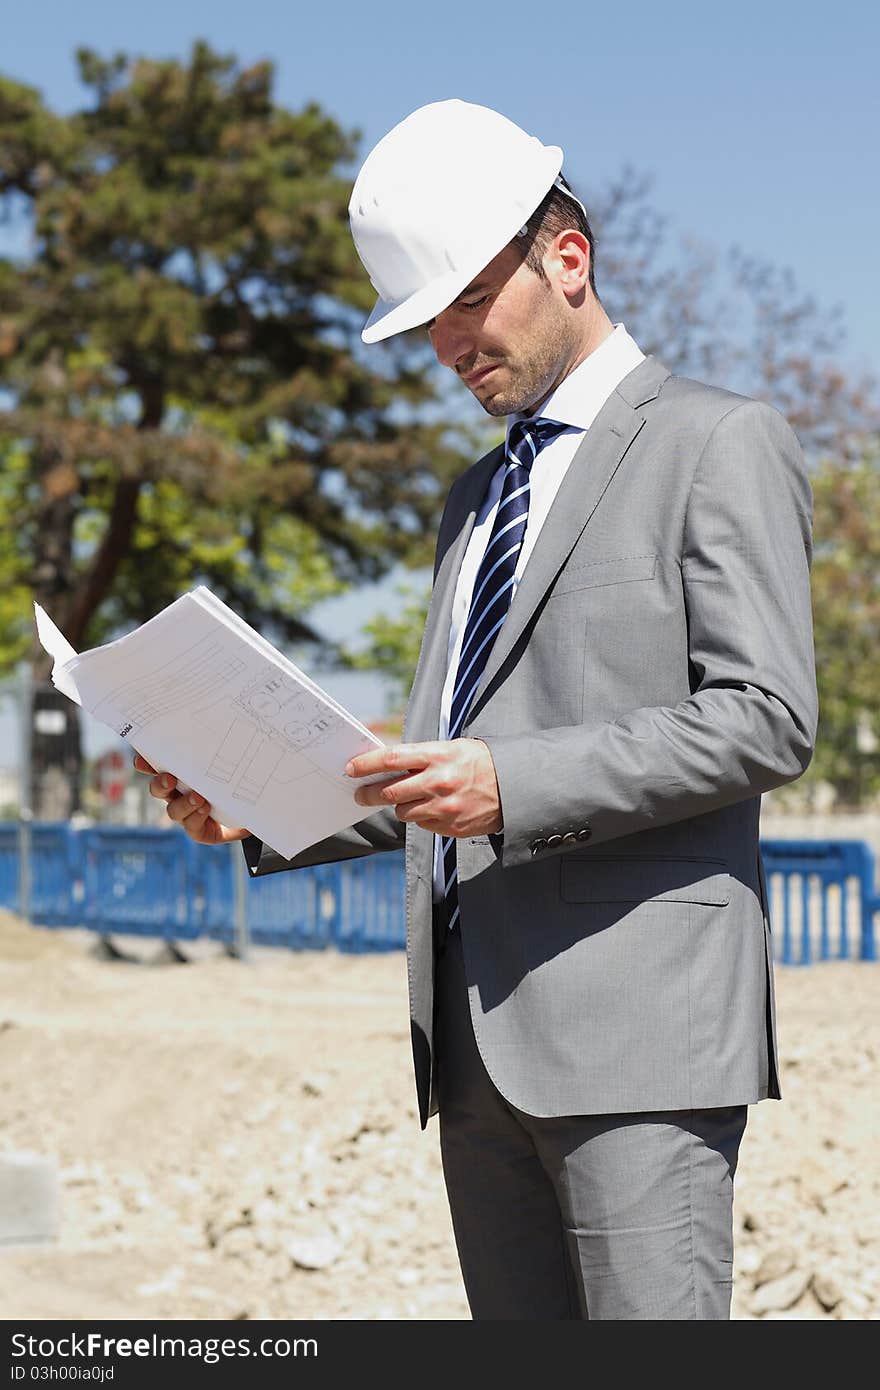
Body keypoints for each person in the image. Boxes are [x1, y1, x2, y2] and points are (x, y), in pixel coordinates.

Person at [135, 99, 818, 1320]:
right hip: (467, 1033)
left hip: (640, 1035)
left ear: (567, 258)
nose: (446, 345)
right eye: (423, 322)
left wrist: (516, 783)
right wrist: (253, 810)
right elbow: (435, 771)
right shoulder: (470, 500)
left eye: (463, 302)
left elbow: (767, 714)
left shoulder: (720, 442)